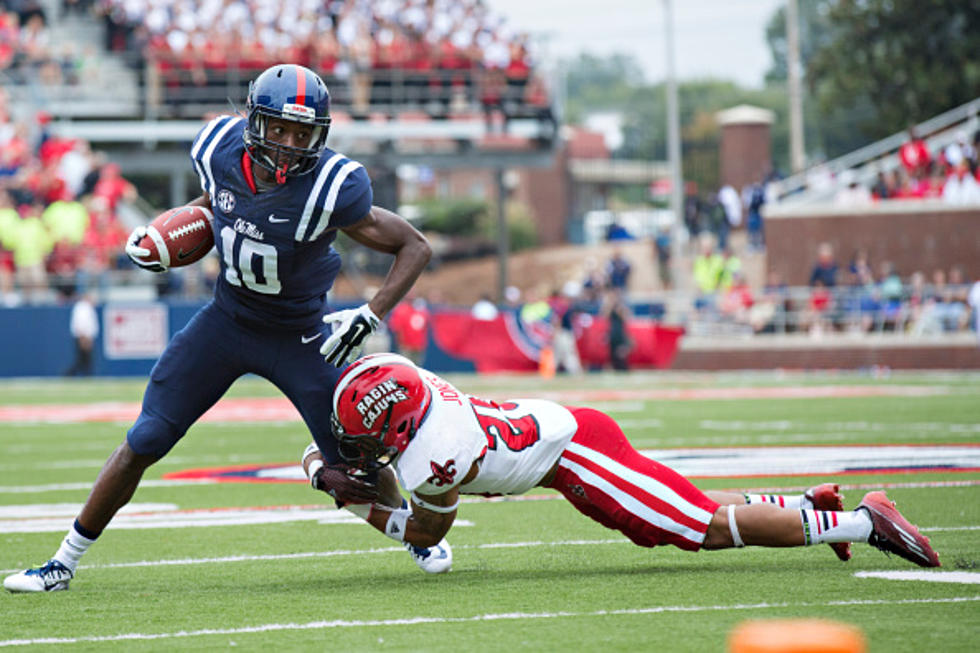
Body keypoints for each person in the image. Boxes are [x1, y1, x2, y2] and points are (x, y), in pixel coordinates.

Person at [4, 64, 446, 594]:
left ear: (320, 135)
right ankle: (62, 562)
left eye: (302, 133)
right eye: (278, 129)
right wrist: (167, 233)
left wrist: (370, 313)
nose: (288, 144)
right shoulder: (218, 147)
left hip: (299, 335)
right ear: (254, 123)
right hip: (225, 321)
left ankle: (416, 534)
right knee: (144, 438)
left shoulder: (334, 187)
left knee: (355, 460)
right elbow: (219, 204)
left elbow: (414, 245)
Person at [304, 353, 940, 572]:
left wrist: (342, 491)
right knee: (675, 522)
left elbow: (424, 531)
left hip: (577, 452)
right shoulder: (413, 387)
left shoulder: (435, 454)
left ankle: (865, 520)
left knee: (701, 530)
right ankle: (802, 509)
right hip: (559, 455)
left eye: (368, 438)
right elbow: (391, 455)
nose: (361, 450)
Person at [63, 290, 98, 376]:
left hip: (85, 337)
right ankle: (69, 374)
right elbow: (81, 323)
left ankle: (74, 374)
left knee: (84, 360)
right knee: (83, 359)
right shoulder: (83, 307)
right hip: (83, 337)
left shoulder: (85, 307)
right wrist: (84, 338)